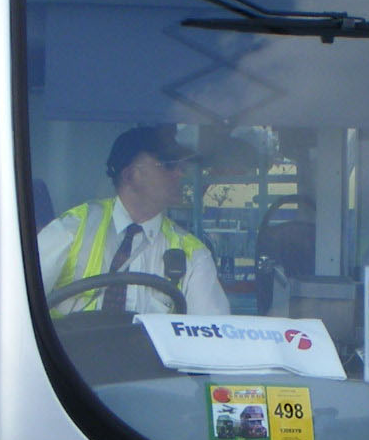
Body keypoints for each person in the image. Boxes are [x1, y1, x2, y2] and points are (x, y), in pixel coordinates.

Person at [36, 125, 230, 317]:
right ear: (130, 175)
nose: (180, 173)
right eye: (168, 164)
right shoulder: (72, 228)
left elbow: (211, 329)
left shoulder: (194, 254)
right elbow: (22, 296)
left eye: (181, 166)